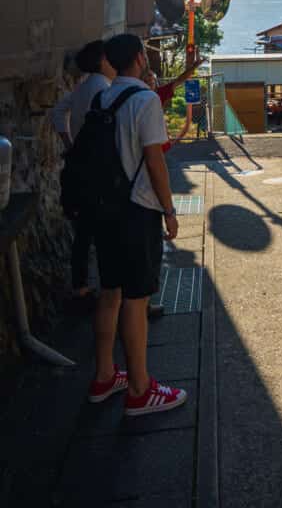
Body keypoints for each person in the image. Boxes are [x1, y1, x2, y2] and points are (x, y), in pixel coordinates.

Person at [88, 33, 186, 416]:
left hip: (104, 208)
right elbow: (156, 162)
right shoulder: (144, 101)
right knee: (136, 296)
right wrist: (169, 210)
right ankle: (141, 390)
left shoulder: (103, 98)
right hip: (136, 209)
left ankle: (104, 376)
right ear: (140, 58)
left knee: (110, 290)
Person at [51, 40, 116, 306]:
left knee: (83, 233)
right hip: (100, 170)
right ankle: (111, 290)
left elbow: (57, 112)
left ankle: (80, 286)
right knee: (107, 234)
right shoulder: (104, 88)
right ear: (103, 60)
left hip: (80, 168)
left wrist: (69, 143)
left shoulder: (83, 87)